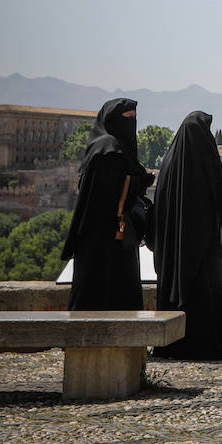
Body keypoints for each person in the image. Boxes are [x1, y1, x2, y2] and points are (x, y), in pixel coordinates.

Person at [151, 111, 222, 360]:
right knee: (203, 294)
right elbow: (219, 202)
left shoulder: (170, 163)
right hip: (204, 248)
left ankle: (172, 343)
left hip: (175, 249)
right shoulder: (208, 161)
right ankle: (204, 346)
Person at [61, 98, 152, 311]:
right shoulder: (110, 150)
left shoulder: (100, 147)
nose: (132, 123)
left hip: (103, 238)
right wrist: (142, 180)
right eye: (127, 118)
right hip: (107, 239)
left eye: (134, 118)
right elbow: (111, 192)